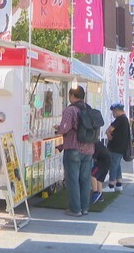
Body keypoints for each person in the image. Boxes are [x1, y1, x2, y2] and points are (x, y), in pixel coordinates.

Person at [54, 87, 95, 217]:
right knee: (85, 180)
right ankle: (85, 208)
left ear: (71, 95)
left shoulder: (70, 110)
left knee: (72, 180)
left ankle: (75, 209)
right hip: (88, 149)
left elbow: (64, 129)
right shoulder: (89, 109)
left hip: (73, 148)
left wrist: (57, 128)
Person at [105, 103, 130, 192]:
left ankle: (111, 184)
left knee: (113, 165)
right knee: (117, 165)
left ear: (116, 110)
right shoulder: (125, 119)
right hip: (121, 146)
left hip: (116, 147)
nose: (113, 114)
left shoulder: (120, 119)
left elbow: (109, 129)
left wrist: (108, 134)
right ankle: (119, 183)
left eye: (113, 111)